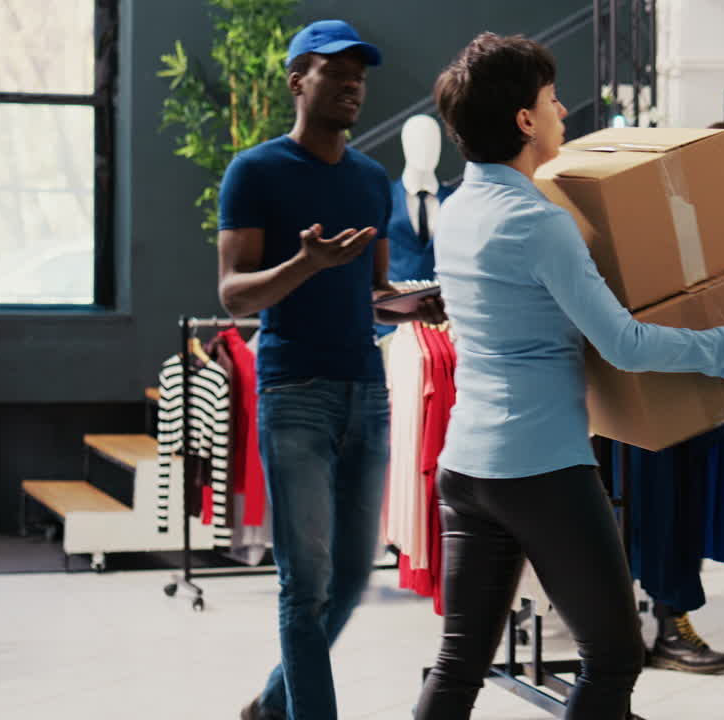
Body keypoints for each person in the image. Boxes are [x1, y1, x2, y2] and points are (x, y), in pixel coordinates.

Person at [415, 33, 724, 719]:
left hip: (466, 467)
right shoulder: (537, 222)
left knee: (460, 663)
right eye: (552, 102)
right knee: (613, 655)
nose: (561, 114)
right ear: (524, 121)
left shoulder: (459, 208)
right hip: (542, 470)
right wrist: (721, 349)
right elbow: (623, 343)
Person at [215, 20, 442, 720]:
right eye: (335, 72)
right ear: (296, 80)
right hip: (295, 395)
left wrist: (419, 304)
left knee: (348, 581)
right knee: (304, 586)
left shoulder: (371, 180)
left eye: (360, 75)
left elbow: (372, 294)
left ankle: (269, 706)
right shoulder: (255, 172)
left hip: (366, 395)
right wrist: (303, 265)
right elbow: (231, 290)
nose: (352, 85)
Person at [634, 120, 724, 676]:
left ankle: (668, 619)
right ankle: (664, 625)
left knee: (682, 508)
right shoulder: (659, 221)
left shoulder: (717, 228)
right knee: (662, 509)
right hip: (656, 385)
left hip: (697, 384)